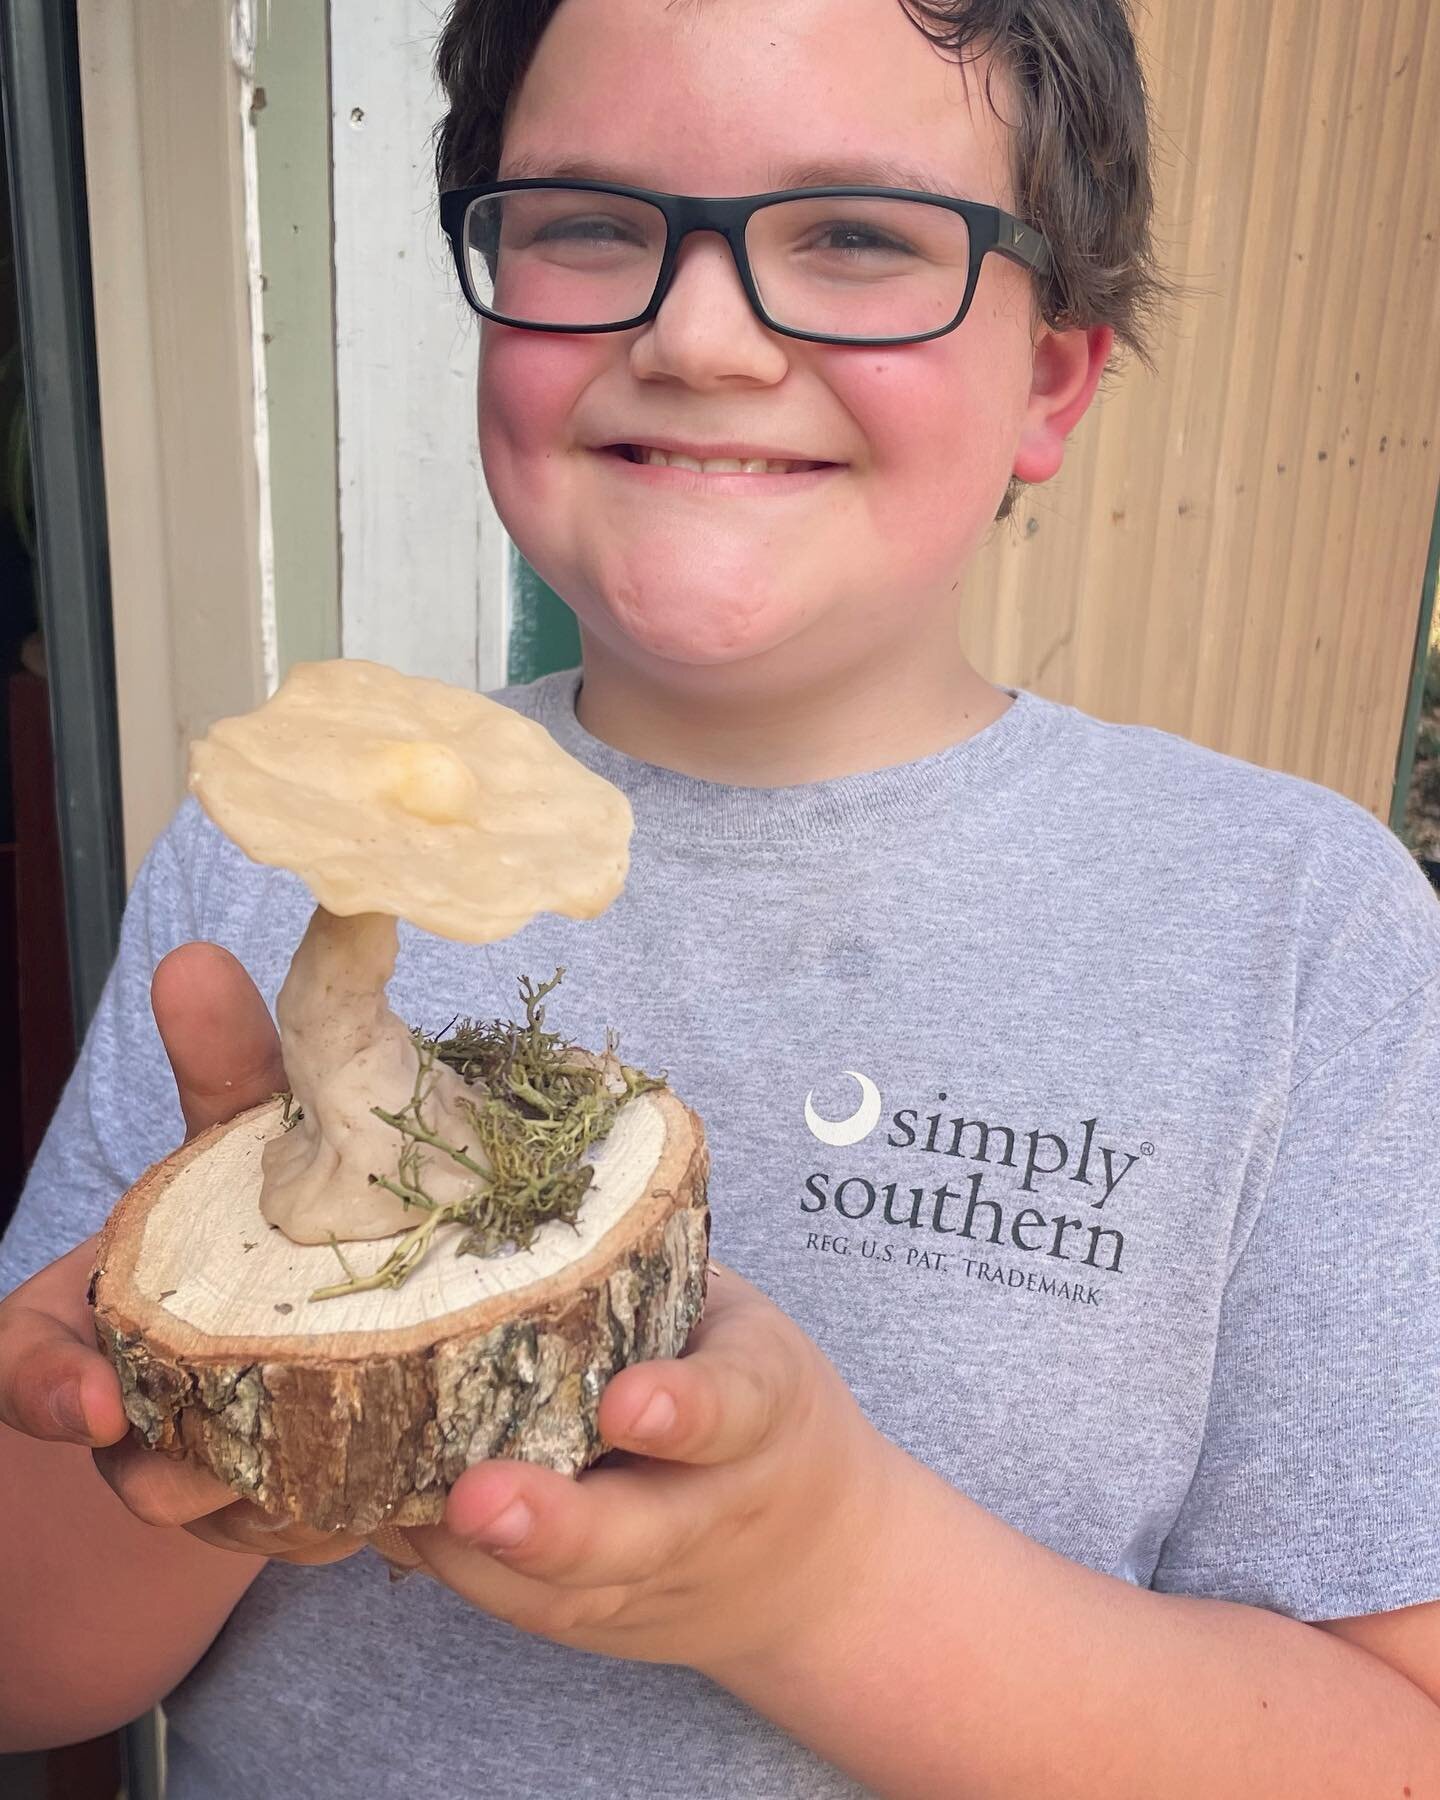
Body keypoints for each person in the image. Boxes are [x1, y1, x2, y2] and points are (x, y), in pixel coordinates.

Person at [2, 0, 1438, 1792]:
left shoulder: (1299, 930)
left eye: (856, 238)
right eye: (591, 223)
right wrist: (223, 1384)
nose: (698, 335)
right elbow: (28, 1671)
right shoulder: (287, 862)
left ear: (1054, 378)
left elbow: (1394, 1737)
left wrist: (818, 1581)